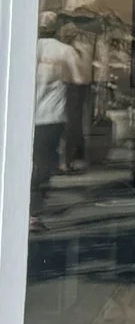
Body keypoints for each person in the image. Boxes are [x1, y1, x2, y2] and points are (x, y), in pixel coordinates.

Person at [30, 15, 88, 207]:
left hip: (25, 115)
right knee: (44, 159)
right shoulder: (65, 51)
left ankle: (26, 205)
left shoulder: (25, 45)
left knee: (27, 159)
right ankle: (34, 206)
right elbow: (80, 79)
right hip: (51, 115)